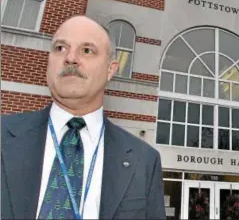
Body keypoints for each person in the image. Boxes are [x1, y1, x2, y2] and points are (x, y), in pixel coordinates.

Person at [1, 15, 166, 220]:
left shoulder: (144, 161)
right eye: (60, 48)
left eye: (87, 50)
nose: (70, 58)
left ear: (110, 70)